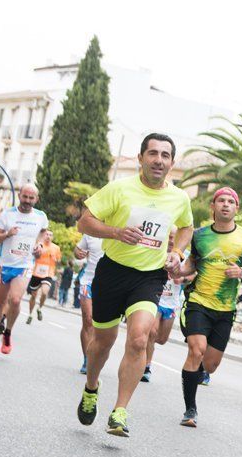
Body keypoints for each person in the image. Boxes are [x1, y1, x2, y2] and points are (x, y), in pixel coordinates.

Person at [75, 133, 193, 437]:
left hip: (149, 276)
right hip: (113, 271)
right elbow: (84, 222)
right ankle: (91, 388)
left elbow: (187, 226)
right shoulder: (119, 188)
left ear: (172, 163)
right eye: (152, 153)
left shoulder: (179, 198)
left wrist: (177, 252)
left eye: (165, 155)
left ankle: (120, 411)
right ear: (140, 158)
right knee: (103, 341)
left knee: (140, 338)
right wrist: (115, 232)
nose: (158, 160)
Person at [173, 187, 242, 428]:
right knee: (196, 349)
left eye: (230, 201)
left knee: (210, 365)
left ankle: (196, 373)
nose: (225, 205)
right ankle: (190, 410)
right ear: (213, 207)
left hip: (225, 308)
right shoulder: (200, 235)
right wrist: (176, 270)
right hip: (198, 302)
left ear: (237, 207)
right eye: (220, 201)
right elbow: (191, 264)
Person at [0, 185, 49, 355]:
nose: (27, 201)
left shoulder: (40, 216)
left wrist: (39, 245)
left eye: (31, 198)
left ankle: (8, 333)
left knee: (16, 300)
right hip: (4, 264)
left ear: (37, 199)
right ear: (19, 196)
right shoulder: (7, 214)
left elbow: (42, 234)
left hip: (24, 265)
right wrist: (7, 235)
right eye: (24, 197)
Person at [142, 275, 186, 383]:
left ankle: (146, 343)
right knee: (152, 332)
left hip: (171, 305)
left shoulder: (185, 261)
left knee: (162, 339)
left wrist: (183, 279)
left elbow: (193, 275)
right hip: (157, 300)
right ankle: (146, 368)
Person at [73, 234, 104, 373]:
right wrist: (78, 253)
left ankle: (97, 355)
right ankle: (87, 358)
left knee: (102, 326)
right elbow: (77, 250)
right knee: (88, 320)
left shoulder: (120, 228)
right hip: (89, 281)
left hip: (109, 285)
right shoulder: (91, 232)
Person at [25, 230, 61, 325]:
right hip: (36, 273)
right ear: (43, 236)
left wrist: (55, 259)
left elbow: (59, 260)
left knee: (45, 292)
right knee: (33, 295)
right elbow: (33, 255)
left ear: (52, 237)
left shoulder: (56, 248)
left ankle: (39, 308)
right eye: (47, 234)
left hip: (48, 274)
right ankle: (30, 314)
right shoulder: (39, 245)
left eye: (50, 235)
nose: (48, 236)